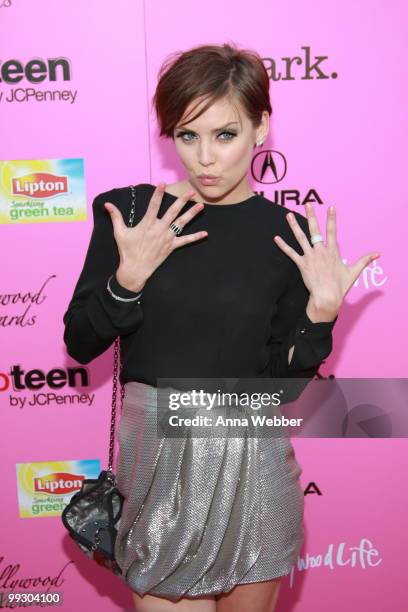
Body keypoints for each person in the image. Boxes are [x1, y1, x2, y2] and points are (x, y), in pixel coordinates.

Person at [62, 43, 379, 612]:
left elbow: (280, 390)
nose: (205, 158)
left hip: (254, 462)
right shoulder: (131, 214)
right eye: (187, 136)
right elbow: (80, 343)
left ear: (261, 128)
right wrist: (128, 277)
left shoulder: (289, 234)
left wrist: (320, 317)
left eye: (225, 135)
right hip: (158, 461)